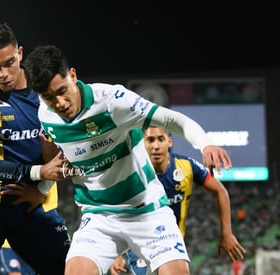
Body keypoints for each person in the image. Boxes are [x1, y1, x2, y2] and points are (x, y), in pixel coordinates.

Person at [24, 44, 233, 275]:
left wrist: (205, 144)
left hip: (146, 210)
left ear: (72, 75)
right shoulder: (46, 116)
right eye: (49, 97)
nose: (60, 103)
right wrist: (42, 187)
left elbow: (172, 120)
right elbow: (60, 162)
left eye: (62, 90)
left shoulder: (113, 101)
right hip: (98, 214)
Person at [0, 22, 71, 275]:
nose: (3, 73)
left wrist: (40, 190)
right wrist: (40, 173)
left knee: (75, 270)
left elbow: (64, 152)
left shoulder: (45, 85)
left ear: (20, 53)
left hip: (35, 204)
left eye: (9, 63)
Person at [109, 126, 246, 275]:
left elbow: (220, 191)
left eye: (160, 139)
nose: (156, 146)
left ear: (169, 141)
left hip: (171, 243)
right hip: (139, 247)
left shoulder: (186, 166)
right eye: (150, 140)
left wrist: (226, 233)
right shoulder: (130, 172)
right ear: (142, 143)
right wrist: (115, 253)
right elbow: (111, 209)